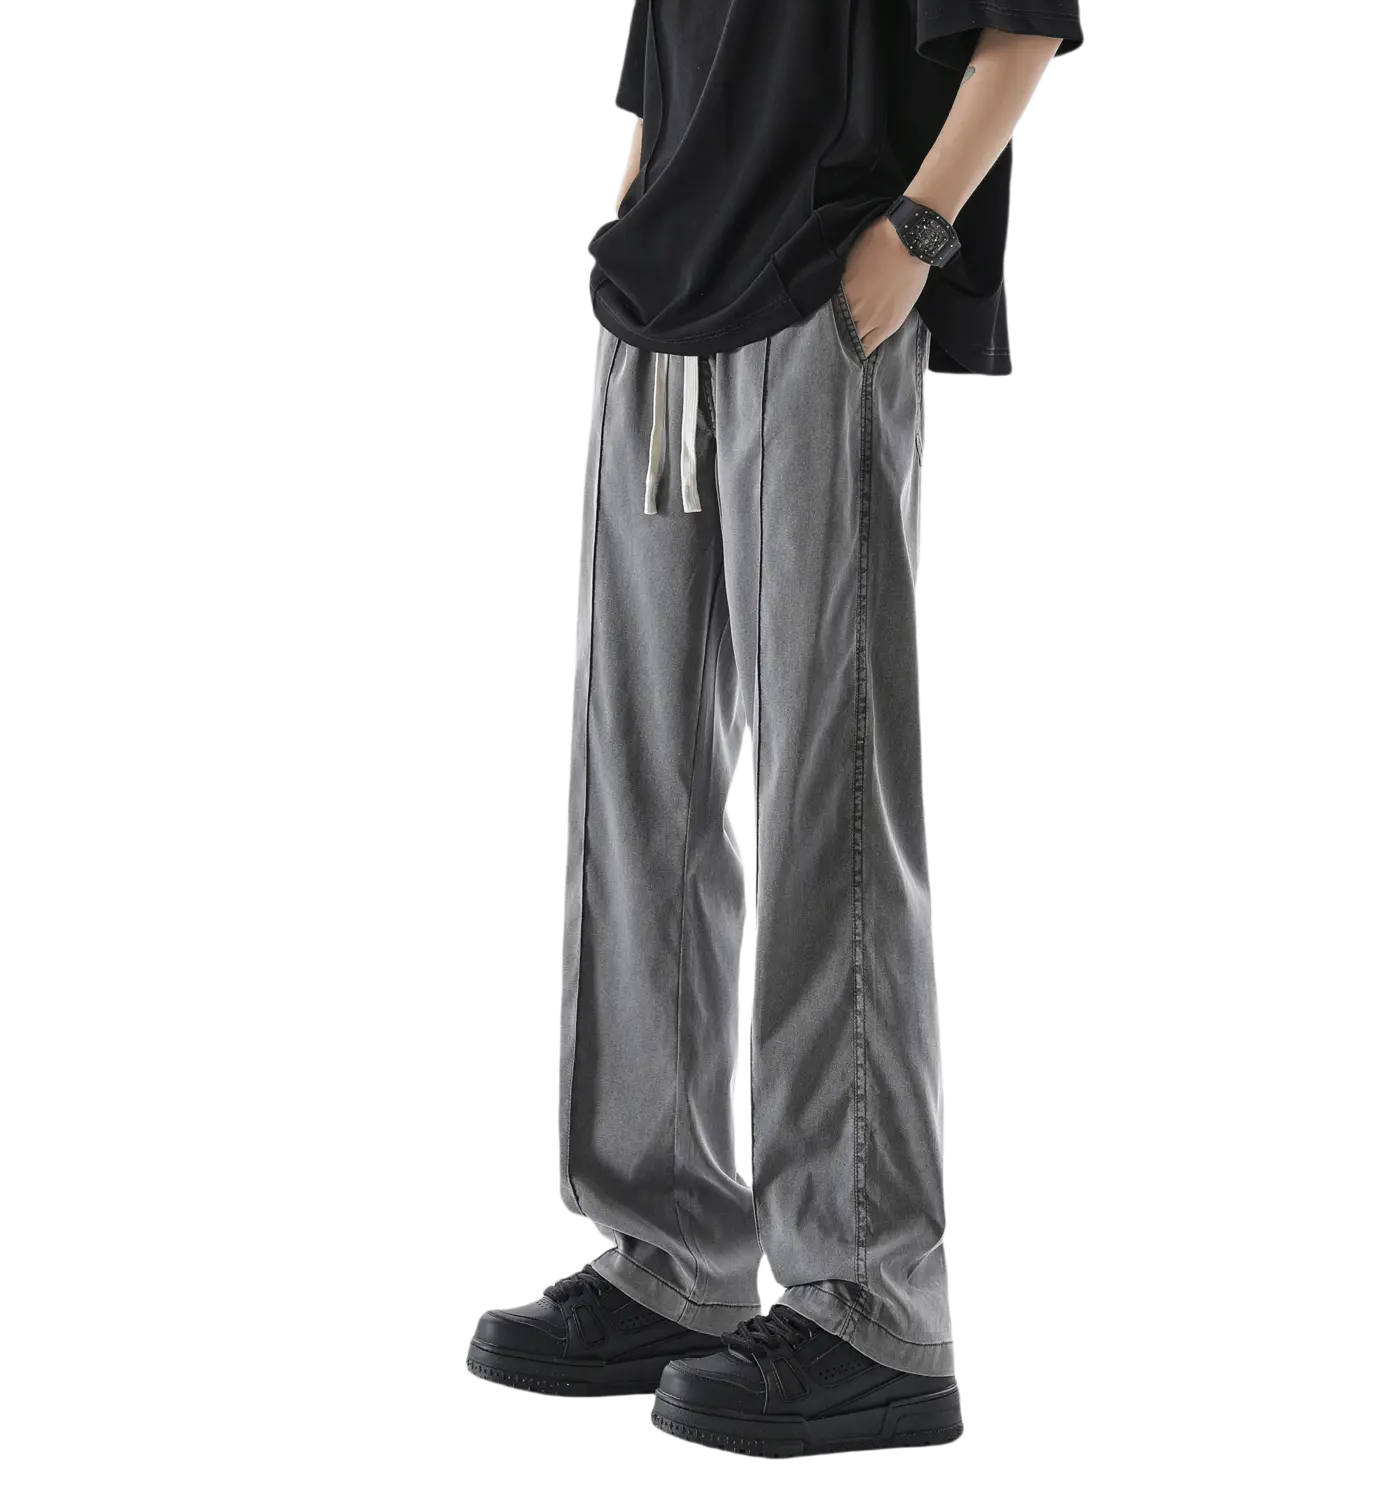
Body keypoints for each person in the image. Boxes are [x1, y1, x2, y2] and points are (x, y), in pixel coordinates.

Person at [468, 0, 1086, 1459]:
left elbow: (1022, 28)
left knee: (828, 796)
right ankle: (667, 1251)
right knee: (638, 790)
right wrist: (638, 196)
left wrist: (916, 234)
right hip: (659, 298)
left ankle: (870, 1302)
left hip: (824, 276)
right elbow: (664, 53)